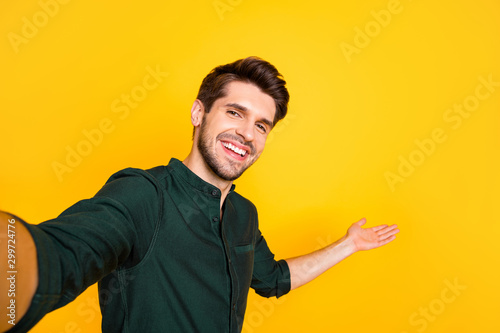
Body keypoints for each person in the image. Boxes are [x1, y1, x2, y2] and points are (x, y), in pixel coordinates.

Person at [0, 56, 399, 333]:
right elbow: (68, 250)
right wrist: (19, 263)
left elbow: (273, 279)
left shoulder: (244, 214)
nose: (247, 133)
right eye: (234, 112)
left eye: (262, 126)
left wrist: (349, 244)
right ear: (198, 113)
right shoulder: (144, 194)